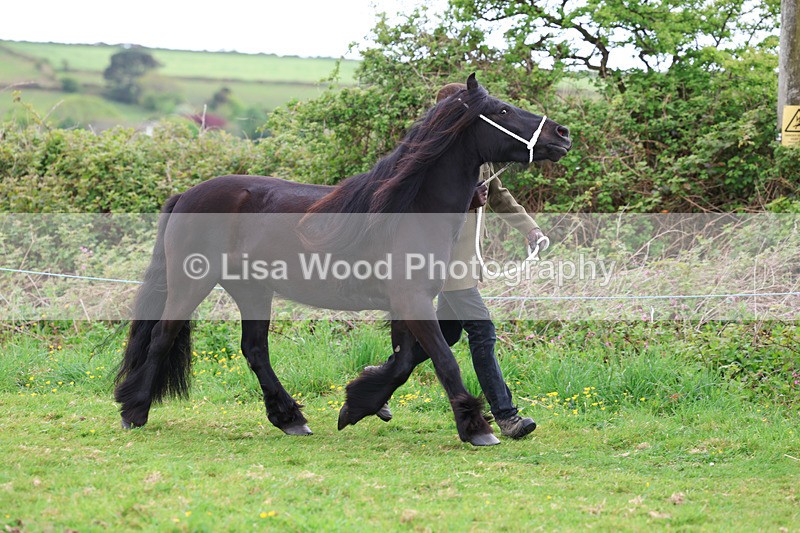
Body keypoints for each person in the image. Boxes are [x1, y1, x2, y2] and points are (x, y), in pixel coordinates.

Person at [375, 82, 548, 439]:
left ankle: (378, 381)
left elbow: (501, 197)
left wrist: (529, 229)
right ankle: (507, 416)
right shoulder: (427, 156)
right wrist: (466, 200)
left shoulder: (475, 154)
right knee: (482, 332)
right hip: (440, 259)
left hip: (463, 261)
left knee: (448, 335)